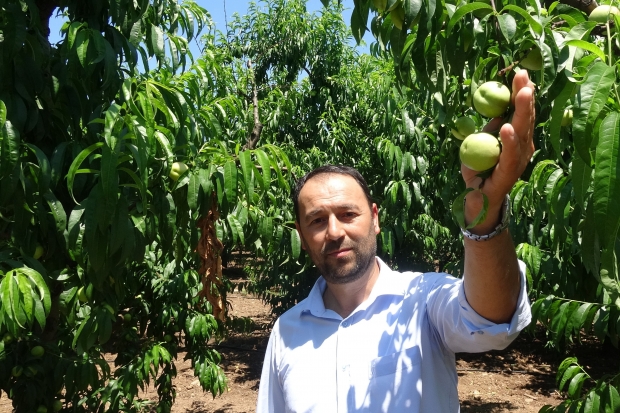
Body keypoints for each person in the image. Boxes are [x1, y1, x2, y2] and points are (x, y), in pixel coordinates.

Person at [256, 70, 536, 412]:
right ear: (301, 235)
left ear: (375, 219)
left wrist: (483, 212)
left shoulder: (422, 300)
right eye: (317, 220)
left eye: (348, 214)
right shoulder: (286, 333)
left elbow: (490, 320)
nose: (333, 231)